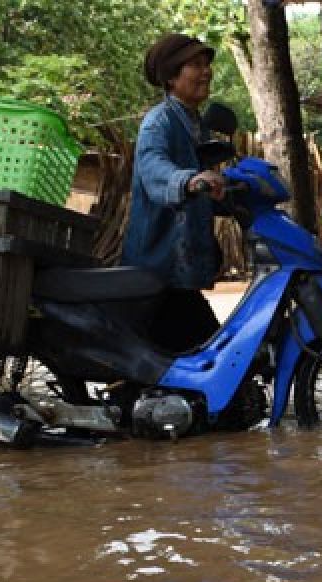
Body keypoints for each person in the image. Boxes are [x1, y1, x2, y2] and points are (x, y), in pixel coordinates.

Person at [122, 33, 229, 352]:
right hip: (158, 263)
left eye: (207, 64)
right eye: (195, 65)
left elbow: (209, 184)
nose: (206, 71)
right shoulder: (159, 122)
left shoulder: (197, 125)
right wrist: (188, 180)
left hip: (180, 265)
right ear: (171, 76)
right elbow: (153, 167)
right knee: (203, 351)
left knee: (201, 348)